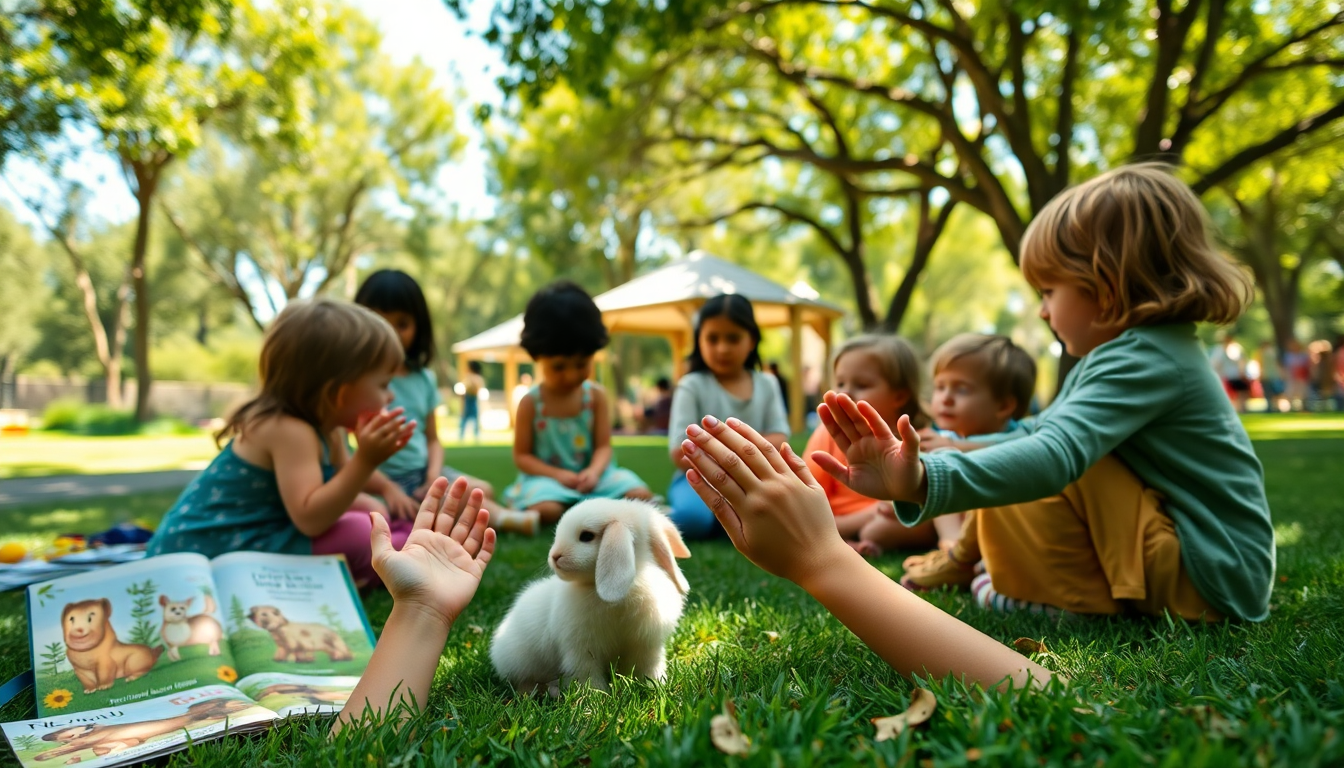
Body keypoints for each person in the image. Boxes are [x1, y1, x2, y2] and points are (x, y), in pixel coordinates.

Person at [147, 298, 418, 588]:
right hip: (204, 552)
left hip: (268, 528)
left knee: (368, 508)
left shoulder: (329, 429)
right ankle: (402, 554)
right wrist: (367, 460)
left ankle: (397, 544)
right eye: (383, 385)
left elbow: (345, 475)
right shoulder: (289, 430)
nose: (390, 397)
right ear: (339, 393)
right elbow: (310, 519)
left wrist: (386, 488)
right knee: (360, 529)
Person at [354, 270, 538, 535]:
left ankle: (494, 516)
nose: (390, 333)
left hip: (422, 473)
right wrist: (387, 487)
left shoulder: (423, 378)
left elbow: (432, 439)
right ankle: (505, 519)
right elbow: (350, 459)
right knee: (444, 501)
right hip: (381, 481)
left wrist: (432, 475)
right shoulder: (358, 381)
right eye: (379, 322)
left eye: (401, 323)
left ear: (419, 327)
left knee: (481, 490)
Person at [503, 281, 653, 523]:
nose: (571, 375)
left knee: (640, 496)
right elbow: (522, 456)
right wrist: (558, 474)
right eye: (559, 366)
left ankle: (584, 509)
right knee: (548, 510)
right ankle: (583, 511)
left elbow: (603, 447)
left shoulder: (595, 397)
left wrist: (593, 472)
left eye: (582, 363)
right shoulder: (531, 403)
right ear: (537, 355)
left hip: (596, 478)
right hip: (548, 482)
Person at [895, 334, 1037, 590]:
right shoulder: (943, 435)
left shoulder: (1019, 433)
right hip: (967, 536)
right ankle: (952, 549)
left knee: (944, 464)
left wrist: (956, 448)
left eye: (961, 389)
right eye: (940, 387)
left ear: (1004, 405)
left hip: (1008, 537)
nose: (946, 398)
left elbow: (1017, 449)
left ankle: (958, 556)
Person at [666, 294, 790, 539]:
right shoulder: (691, 385)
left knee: (784, 518)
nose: (722, 348)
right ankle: (662, 514)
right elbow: (680, 451)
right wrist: (735, 459)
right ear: (699, 340)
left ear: (752, 340)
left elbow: (780, 438)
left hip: (754, 481)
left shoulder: (767, 384)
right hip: (697, 480)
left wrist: (729, 459)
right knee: (691, 521)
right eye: (713, 339)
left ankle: (726, 519)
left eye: (733, 338)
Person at [802, 335, 935, 555]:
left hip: (892, 521)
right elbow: (808, 496)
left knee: (883, 529)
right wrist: (870, 514)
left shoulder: (917, 439)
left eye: (862, 385)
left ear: (900, 396)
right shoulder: (827, 435)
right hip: (836, 520)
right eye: (840, 383)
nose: (844, 393)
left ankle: (853, 541)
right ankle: (846, 538)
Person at [1209, 335, 1249, 413]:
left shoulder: (1234, 348)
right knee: (1234, 395)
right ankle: (1238, 409)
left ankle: (1240, 409)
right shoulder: (1220, 349)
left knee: (1239, 394)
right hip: (1228, 376)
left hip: (1234, 375)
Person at [459, 361, 485, 442]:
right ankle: (461, 436)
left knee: (473, 420)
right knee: (464, 419)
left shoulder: (475, 378)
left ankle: (476, 436)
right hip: (468, 400)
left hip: (472, 400)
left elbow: (475, 389)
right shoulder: (469, 377)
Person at [1284, 339, 1311, 410]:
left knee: (1302, 394)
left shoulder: (1303, 356)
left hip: (1301, 378)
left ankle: (1303, 407)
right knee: (1290, 393)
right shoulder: (1288, 356)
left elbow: (1306, 367)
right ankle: (1290, 408)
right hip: (1291, 378)